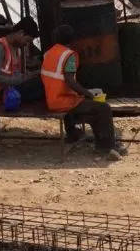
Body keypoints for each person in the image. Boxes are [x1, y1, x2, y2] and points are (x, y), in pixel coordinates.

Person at [41, 24, 127, 160]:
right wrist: (87, 93)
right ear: (72, 39)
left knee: (92, 110)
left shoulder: (49, 53)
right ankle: (106, 146)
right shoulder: (69, 56)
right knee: (103, 108)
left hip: (51, 99)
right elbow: (69, 80)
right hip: (64, 101)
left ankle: (75, 134)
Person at [0, 18, 44, 105]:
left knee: (42, 81)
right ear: (21, 33)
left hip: (12, 91)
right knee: (40, 85)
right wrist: (19, 80)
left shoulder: (17, 50)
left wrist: (33, 74)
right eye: (27, 40)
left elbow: (16, 74)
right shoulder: (0, 47)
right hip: (1, 95)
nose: (26, 44)